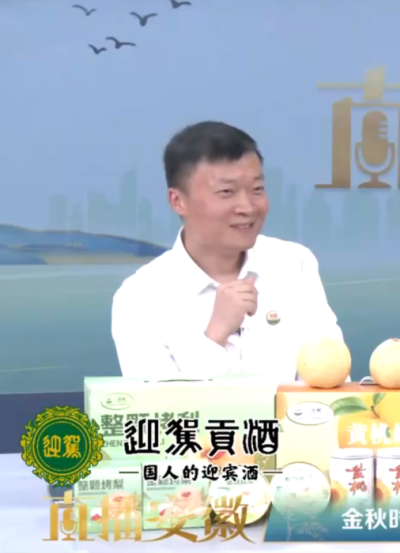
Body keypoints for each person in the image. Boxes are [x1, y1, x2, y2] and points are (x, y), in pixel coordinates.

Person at [111, 121, 344, 381]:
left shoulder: (293, 264)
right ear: (178, 201)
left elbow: (330, 379)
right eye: (226, 192)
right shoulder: (139, 299)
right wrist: (216, 334)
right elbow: (158, 405)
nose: (247, 207)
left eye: (257, 189)